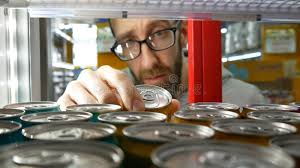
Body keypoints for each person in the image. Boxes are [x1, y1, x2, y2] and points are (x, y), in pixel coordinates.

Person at [57, 19, 267, 112]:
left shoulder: (246, 101)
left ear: (183, 34)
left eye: (158, 34)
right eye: (128, 42)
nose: (148, 62)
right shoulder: (110, 99)